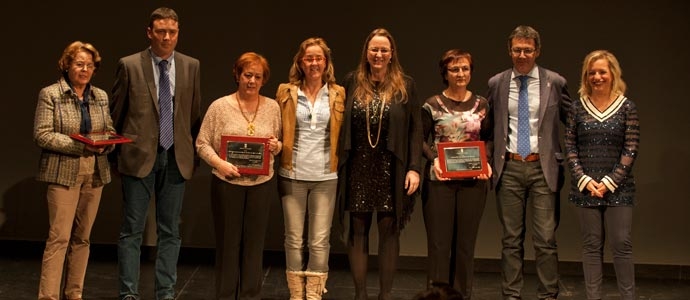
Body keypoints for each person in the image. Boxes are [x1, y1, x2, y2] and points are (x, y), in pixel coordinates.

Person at [109, 7, 201, 300]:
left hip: (176, 158)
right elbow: (116, 114)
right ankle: (128, 293)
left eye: (172, 32)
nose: (166, 37)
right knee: (132, 230)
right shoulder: (129, 65)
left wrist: (191, 154)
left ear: (178, 33)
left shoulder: (191, 65)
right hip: (138, 157)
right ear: (150, 32)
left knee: (170, 231)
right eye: (160, 31)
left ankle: (165, 293)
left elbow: (194, 115)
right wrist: (116, 157)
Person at [486, 25, 571, 300]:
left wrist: (570, 156)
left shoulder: (554, 82)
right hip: (509, 167)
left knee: (545, 239)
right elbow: (488, 128)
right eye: (517, 50)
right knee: (511, 240)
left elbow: (573, 123)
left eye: (527, 50)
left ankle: (548, 294)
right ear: (509, 51)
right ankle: (511, 295)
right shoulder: (497, 83)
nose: (522, 55)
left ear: (537, 51)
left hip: (542, 168)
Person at [336, 28, 422, 300]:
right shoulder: (351, 81)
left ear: (392, 53)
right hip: (358, 166)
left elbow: (415, 131)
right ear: (366, 51)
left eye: (384, 49)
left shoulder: (405, 85)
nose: (379, 54)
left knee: (389, 233)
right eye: (374, 49)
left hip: (391, 168)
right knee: (358, 232)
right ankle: (360, 295)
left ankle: (385, 295)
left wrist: (413, 168)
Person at [196, 52, 282, 300]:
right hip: (227, 183)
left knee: (254, 245)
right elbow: (202, 144)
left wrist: (277, 147)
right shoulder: (219, 106)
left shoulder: (273, 108)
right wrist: (219, 164)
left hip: (261, 184)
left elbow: (278, 144)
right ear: (237, 75)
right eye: (247, 75)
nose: (252, 81)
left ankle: (250, 295)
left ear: (264, 79)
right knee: (228, 244)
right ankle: (225, 295)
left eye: (257, 76)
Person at [33, 41, 114, 300]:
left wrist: (106, 144)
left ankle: (74, 294)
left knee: (83, 238)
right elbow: (42, 135)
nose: (84, 69)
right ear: (67, 64)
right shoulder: (51, 94)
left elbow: (109, 130)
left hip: (95, 172)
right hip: (63, 172)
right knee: (59, 238)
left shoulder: (99, 96)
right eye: (79, 64)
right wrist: (82, 145)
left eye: (90, 65)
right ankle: (49, 296)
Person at [565, 50, 639, 300]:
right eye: (592, 72)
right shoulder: (577, 107)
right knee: (591, 246)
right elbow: (570, 147)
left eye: (602, 72)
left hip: (619, 188)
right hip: (586, 187)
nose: (597, 77)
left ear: (612, 74)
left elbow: (631, 147)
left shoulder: (627, 107)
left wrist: (610, 182)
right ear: (586, 76)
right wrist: (584, 179)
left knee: (621, 245)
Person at [275, 37, 345, 300]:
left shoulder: (338, 93)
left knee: (319, 240)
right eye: (309, 58)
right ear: (300, 62)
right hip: (292, 174)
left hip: (326, 175)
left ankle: (314, 294)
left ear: (326, 62)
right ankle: (296, 293)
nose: (314, 63)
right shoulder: (286, 91)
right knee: (293, 238)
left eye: (319, 58)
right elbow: (276, 126)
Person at [421, 49, 491, 300]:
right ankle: (437, 296)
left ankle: (460, 296)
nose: (460, 74)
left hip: (473, 183)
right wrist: (435, 160)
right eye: (454, 69)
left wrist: (488, 161)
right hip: (439, 182)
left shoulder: (482, 104)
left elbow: (489, 139)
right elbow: (420, 139)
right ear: (445, 73)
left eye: (465, 68)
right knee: (439, 247)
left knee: (464, 247)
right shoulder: (431, 104)